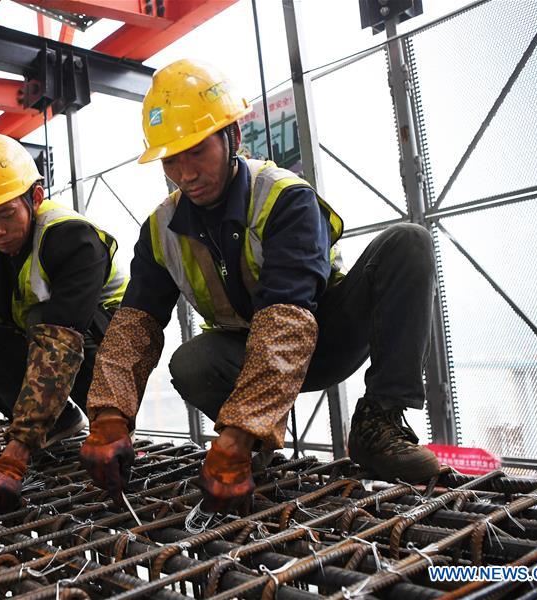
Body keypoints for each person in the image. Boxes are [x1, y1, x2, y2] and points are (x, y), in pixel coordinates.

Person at [80, 59, 440, 514]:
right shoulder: (162, 229)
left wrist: (240, 428)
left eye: (197, 151)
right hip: (245, 353)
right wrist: (110, 416)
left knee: (408, 243)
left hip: (327, 334)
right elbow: (133, 327)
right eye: (171, 159)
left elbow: (287, 319)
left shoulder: (283, 197)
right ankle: (254, 453)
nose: (185, 172)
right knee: (190, 362)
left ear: (233, 137)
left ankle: (379, 423)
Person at [0, 132, 128, 512]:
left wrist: (15, 454)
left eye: (6, 214)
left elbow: (59, 343)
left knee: (45, 323)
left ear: (34, 198)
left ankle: (106, 422)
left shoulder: (72, 238)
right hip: (46, 340)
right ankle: (55, 423)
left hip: (102, 344)